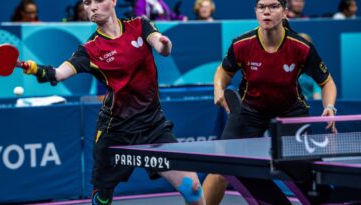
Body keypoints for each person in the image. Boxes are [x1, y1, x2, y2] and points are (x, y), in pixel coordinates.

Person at [22, 0, 205, 204]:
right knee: (102, 198)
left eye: (98, 1)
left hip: (153, 126)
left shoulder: (139, 25)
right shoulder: (90, 49)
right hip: (116, 132)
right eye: (87, 2)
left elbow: (161, 45)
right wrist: (37, 69)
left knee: (193, 188)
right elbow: (59, 73)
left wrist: (164, 44)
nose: (92, 7)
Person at [202, 0, 337, 204]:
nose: (266, 11)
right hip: (249, 110)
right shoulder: (242, 44)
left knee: (304, 171)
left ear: (284, 12)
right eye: (261, 7)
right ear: (256, 11)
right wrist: (218, 87)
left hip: (290, 112)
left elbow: (327, 82)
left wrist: (329, 107)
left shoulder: (301, 47)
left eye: (273, 6)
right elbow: (223, 71)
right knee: (221, 168)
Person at [298, 33, 321, 100]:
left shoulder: (314, 67)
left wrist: (316, 104)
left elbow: (317, 92)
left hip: (310, 105)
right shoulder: (288, 66)